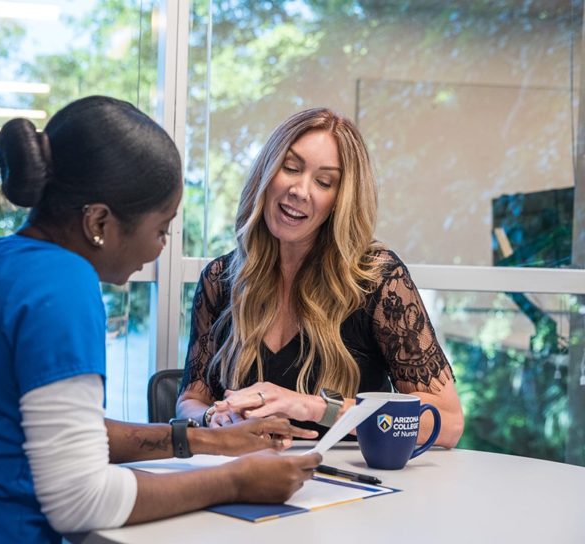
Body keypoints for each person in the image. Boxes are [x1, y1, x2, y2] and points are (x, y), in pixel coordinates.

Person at [0, 96, 321, 544]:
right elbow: (78, 502)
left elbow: (52, 428)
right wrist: (235, 480)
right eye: (161, 228)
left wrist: (203, 440)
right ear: (99, 223)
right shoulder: (62, 284)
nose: (161, 247)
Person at [176, 107, 464, 448]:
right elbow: (190, 402)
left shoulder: (377, 279)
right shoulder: (220, 279)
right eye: (291, 167)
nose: (300, 190)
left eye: (324, 182)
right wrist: (216, 418)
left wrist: (313, 407)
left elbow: (447, 423)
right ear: (267, 173)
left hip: (352, 490)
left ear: (339, 201)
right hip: (246, 480)